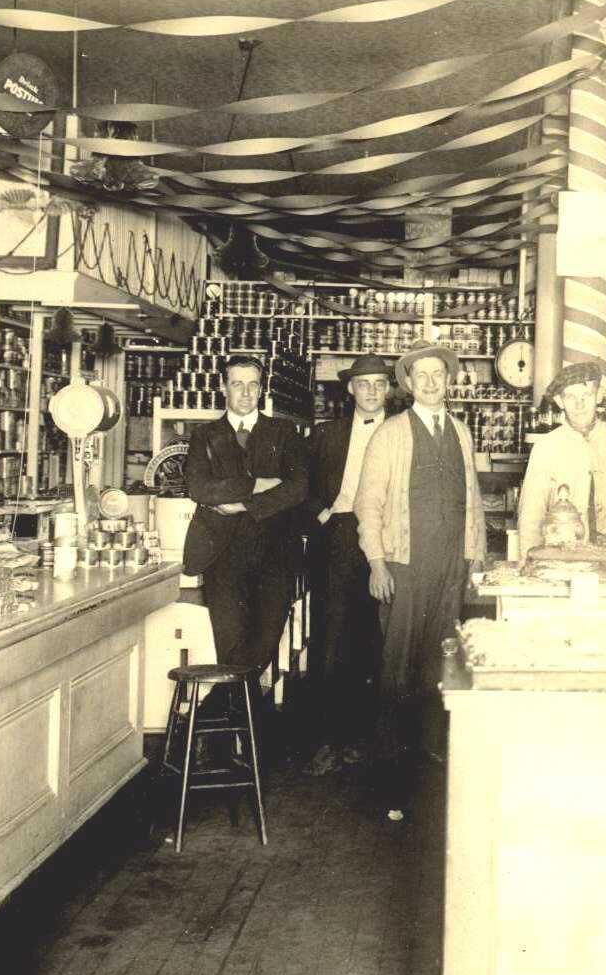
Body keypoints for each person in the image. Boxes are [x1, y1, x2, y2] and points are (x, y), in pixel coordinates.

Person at [354, 343, 487, 824]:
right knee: (397, 671)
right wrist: (377, 563)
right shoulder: (390, 434)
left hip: (451, 567)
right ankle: (390, 780)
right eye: (421, 375)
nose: (431, 383)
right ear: (408, 384)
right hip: (405, 567)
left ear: (449, 380)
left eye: (438, 374)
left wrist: (475, 557)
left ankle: (431, 770)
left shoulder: (461, 431)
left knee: (442, 665)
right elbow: (368, 503)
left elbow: (472, 498)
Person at [183, 354, 308, 688]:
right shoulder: (204, 435)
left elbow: (298, 487)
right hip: (222, 556)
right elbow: (199, 488)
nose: (246, 393)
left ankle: (226, 707)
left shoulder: (283, 432)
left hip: (275, 555)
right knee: (230, 645)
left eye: (253, 385)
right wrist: (256, 485)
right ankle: (242, 715)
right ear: (223, 387)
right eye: (237, 384)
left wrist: (241, 505)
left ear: (262, 388)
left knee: (264, 641)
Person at [303, 355, 394, 776]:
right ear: (350, 389)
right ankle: (326, 740)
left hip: (387, 541)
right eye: (363, 383)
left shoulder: (402, 432)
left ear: (388, 389)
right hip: (339, 538)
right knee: (331, 637)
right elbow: (300, 483)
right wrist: (322, 515)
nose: (371, 391)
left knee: (374, 639)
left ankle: (362, 740)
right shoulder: (326, 434)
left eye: (379, 383)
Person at [516, 360, 606, 549]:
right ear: (559, 401)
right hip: (563, 555)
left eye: (586, 395)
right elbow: (531, 517)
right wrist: (528, 560)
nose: (579, 405)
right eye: (570, 397)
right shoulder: (546, 447)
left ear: (599, 396)